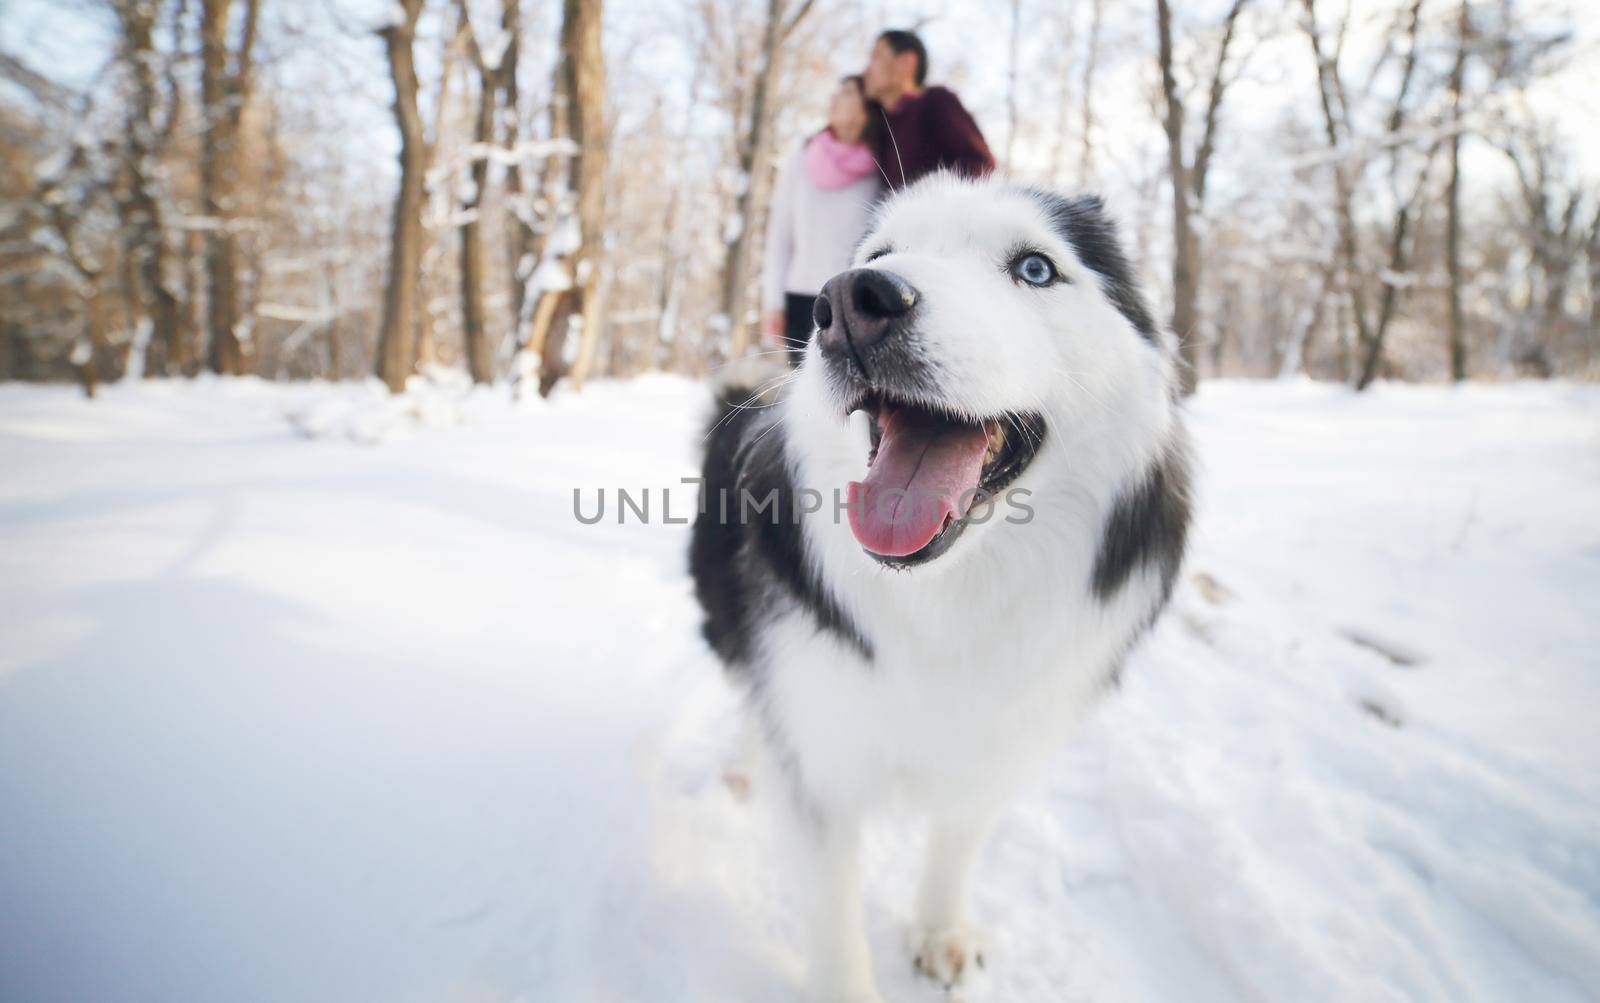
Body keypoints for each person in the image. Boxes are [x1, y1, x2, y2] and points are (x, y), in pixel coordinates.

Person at [760, 75, 885, 364]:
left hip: (856, 301)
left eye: (847, 93)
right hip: (801, 300)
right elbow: (780, 234)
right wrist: (773, 304)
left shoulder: (881, 164)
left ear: (866, 106)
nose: (834, 98)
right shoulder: (802, 158)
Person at [862, 29, 995, 189]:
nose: (866, 71)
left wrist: (926, 202)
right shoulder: (880, 122)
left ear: (906, 62)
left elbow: (979, 164)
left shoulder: (936, 101)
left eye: (876, 56)